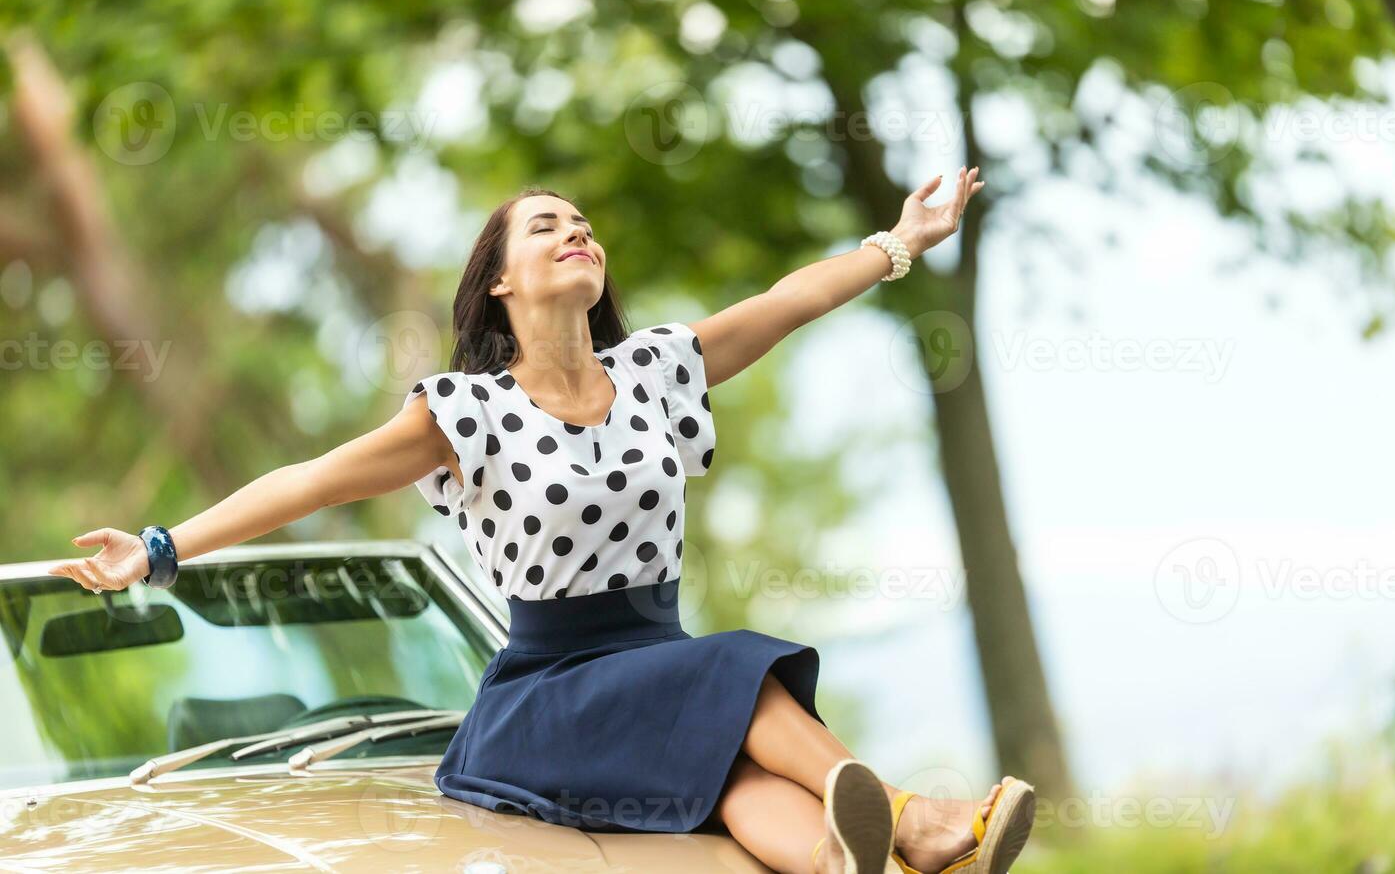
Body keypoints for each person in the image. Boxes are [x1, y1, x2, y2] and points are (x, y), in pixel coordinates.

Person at [49, 170, 1037, 874]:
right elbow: (308, 480)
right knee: (737, 667)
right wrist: (161, 547)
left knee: (730, 779)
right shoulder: (465, 411)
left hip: (654, 668)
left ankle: (857, 859)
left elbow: (786, 302)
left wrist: (902, 240)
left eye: (583, 224)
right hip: (548, 696)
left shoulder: (657, 368)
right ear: (500, 282)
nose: (576, 231)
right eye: (546, 227)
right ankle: (918, 817)